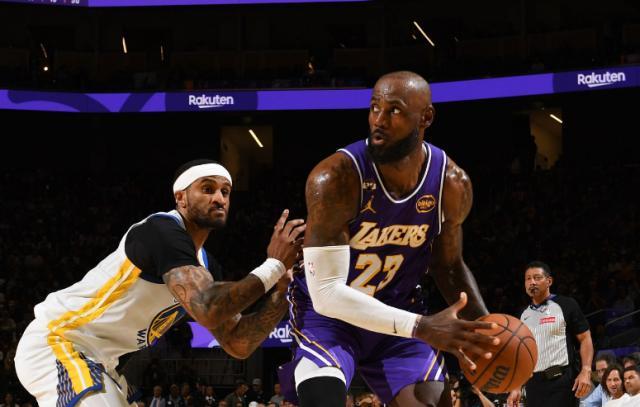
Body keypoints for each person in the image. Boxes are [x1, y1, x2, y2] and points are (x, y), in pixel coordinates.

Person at [279, 71, 498, 407]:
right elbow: (326, 295)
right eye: (374, 108)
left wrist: (488, 332)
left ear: (426, 117)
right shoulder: (336, 178)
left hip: (400, 310)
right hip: (331, 319)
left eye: (394, 110)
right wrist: (421, 326)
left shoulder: (451, 183)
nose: (378, 121)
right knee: (322, 399)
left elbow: (449, 267)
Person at [14, 159, 305, 407]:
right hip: (59, 341)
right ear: (181, 197)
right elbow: (207, 307)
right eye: (208, 189)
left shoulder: (206, 266)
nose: (219, 198)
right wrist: (273, 266)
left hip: (103, 362)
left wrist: (282, 290)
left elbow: (238, 343)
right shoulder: (161, 229)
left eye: (225, 192)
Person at [508, 261, 594, 407]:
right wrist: (517, 387)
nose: (532, 282)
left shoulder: (566, 305)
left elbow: (585, 338)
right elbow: (522, 354)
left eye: (537, 277)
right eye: (528, 279)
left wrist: (586, 370)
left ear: (549, 281)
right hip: (533, 384)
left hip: (561, 380)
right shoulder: (522, 314)